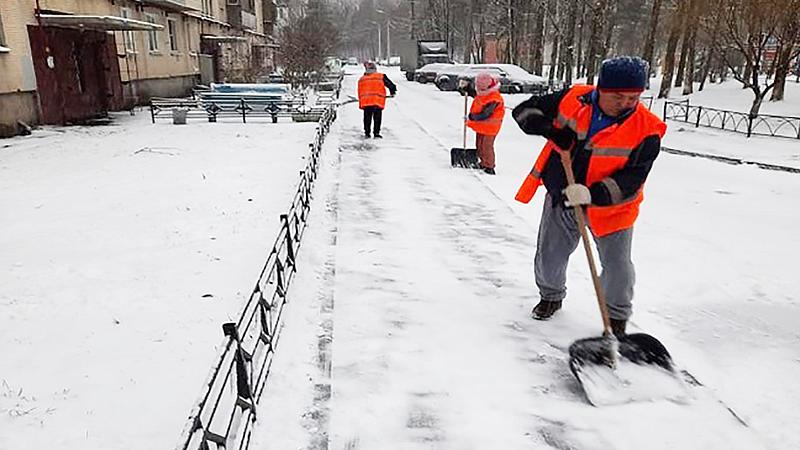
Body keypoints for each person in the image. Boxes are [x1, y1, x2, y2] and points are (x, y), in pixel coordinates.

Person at [511, 56, 666, 337]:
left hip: (613, 208)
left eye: (634, 97)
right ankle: (550, 297)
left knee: (618, 267)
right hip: (562, 195)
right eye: (618, 96)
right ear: (600, 89)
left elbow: (632, 179)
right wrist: (551, 130)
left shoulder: (647, 129)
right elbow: (523, 112)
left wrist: (592, 194)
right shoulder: (573, 99)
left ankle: (616, 319)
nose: (626, 103)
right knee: (550, 254)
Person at [459, 73, 505, 174]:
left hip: (491, 126)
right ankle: (483, 162)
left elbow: (486, 114)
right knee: (479, 144)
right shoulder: (484, 92)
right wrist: (467, 89)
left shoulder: (495, 98)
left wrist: (472, 117)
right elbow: (477, 95)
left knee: (487, 146)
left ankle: (489, 166)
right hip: (482, 125)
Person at [358, 61, 397, 138]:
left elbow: (359, 91)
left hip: (366, 102)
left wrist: (361, 100)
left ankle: (367, 133)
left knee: (367, 118)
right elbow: (391, 85)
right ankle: (376, 133)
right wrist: (393, 92)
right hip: (377, 101)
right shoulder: (381, 76)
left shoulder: (362, 79)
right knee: (377, 117)